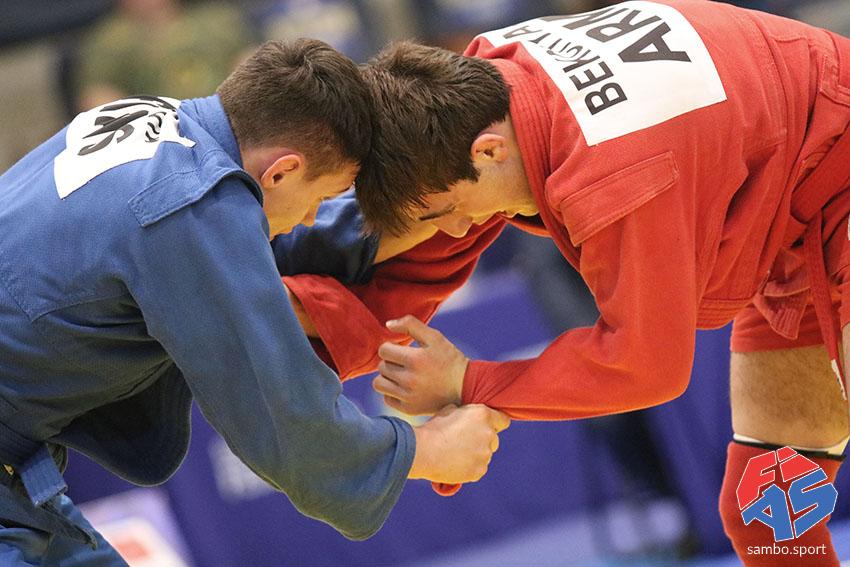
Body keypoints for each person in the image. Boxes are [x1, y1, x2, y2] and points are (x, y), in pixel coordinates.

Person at [281, 2, 850, 565]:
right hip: (792, 219)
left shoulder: (613, 174)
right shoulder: (481, 81)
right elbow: (418, 248)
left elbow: (644, 365)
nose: (455, 228)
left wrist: (471, 381)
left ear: (489, 151)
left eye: (450, 209)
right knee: (768, 514)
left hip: (833, 162)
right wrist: (279, 313)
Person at [0, 39, 509, 564]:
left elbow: (247, 234)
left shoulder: (154, 120)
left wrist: (408, 222)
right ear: (282, 170)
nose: (311, 215)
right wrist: (427, 451)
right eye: (320, 197)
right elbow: (289, 419)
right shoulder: (185, 207)